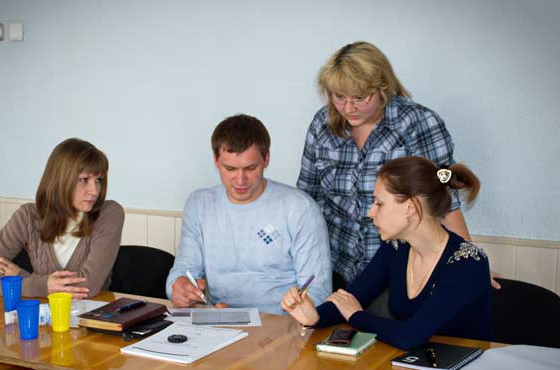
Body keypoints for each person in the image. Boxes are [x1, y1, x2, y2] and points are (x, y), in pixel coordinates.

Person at [297, 41, 499, 292]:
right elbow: (308, 199)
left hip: (399, 270)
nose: (348, 108)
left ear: (382, 88)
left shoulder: (417, 123)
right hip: (336, 267)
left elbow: (445, 202)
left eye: (360, 98)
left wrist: (468, 265)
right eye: (339, 97)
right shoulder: (322, 124)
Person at [282, 156, 491, 350]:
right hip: (417, 364)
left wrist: (356, 315)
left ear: (410, 207)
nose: (370, 212)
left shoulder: (468, 263)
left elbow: (410, 336)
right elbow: (350, 299)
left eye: (379, 203)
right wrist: (314, 317)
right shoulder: (396, 248)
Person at [166, 114, 332, 314]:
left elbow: (318, 290)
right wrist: (179, 289)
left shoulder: (300, 208)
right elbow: (183, 272)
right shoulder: (199, 204)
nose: (240, 180)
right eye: (230, 168)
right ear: (216, 160)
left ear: (266, 159)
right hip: (219, 319)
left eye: (251, 168)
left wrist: (297, 309)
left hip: (282, 322)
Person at [0, 138, 124, 299]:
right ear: (60, 179)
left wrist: (21, 277)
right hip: (43, 312)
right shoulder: (27, 216)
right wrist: (42, 285)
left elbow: (87, 288)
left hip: (92, 313)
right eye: (84, 180)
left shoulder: (109, 213)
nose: (95, 190)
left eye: (98, 180)